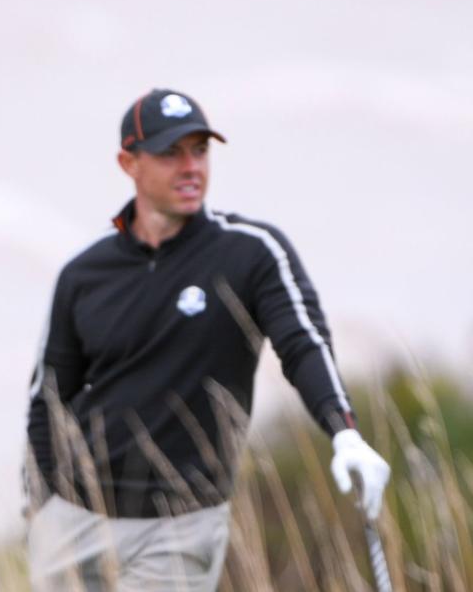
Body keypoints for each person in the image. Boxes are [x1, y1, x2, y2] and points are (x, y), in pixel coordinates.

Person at [25, 88, 391, 591]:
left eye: (199, 150)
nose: (190, 166)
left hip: (180, 526)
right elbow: (47, 395)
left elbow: (303, 341)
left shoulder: (249, 254)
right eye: (170, 153)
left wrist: (343, 430)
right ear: (128, 162)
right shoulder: (85, 274)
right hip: (73, 521)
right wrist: (41, 503)